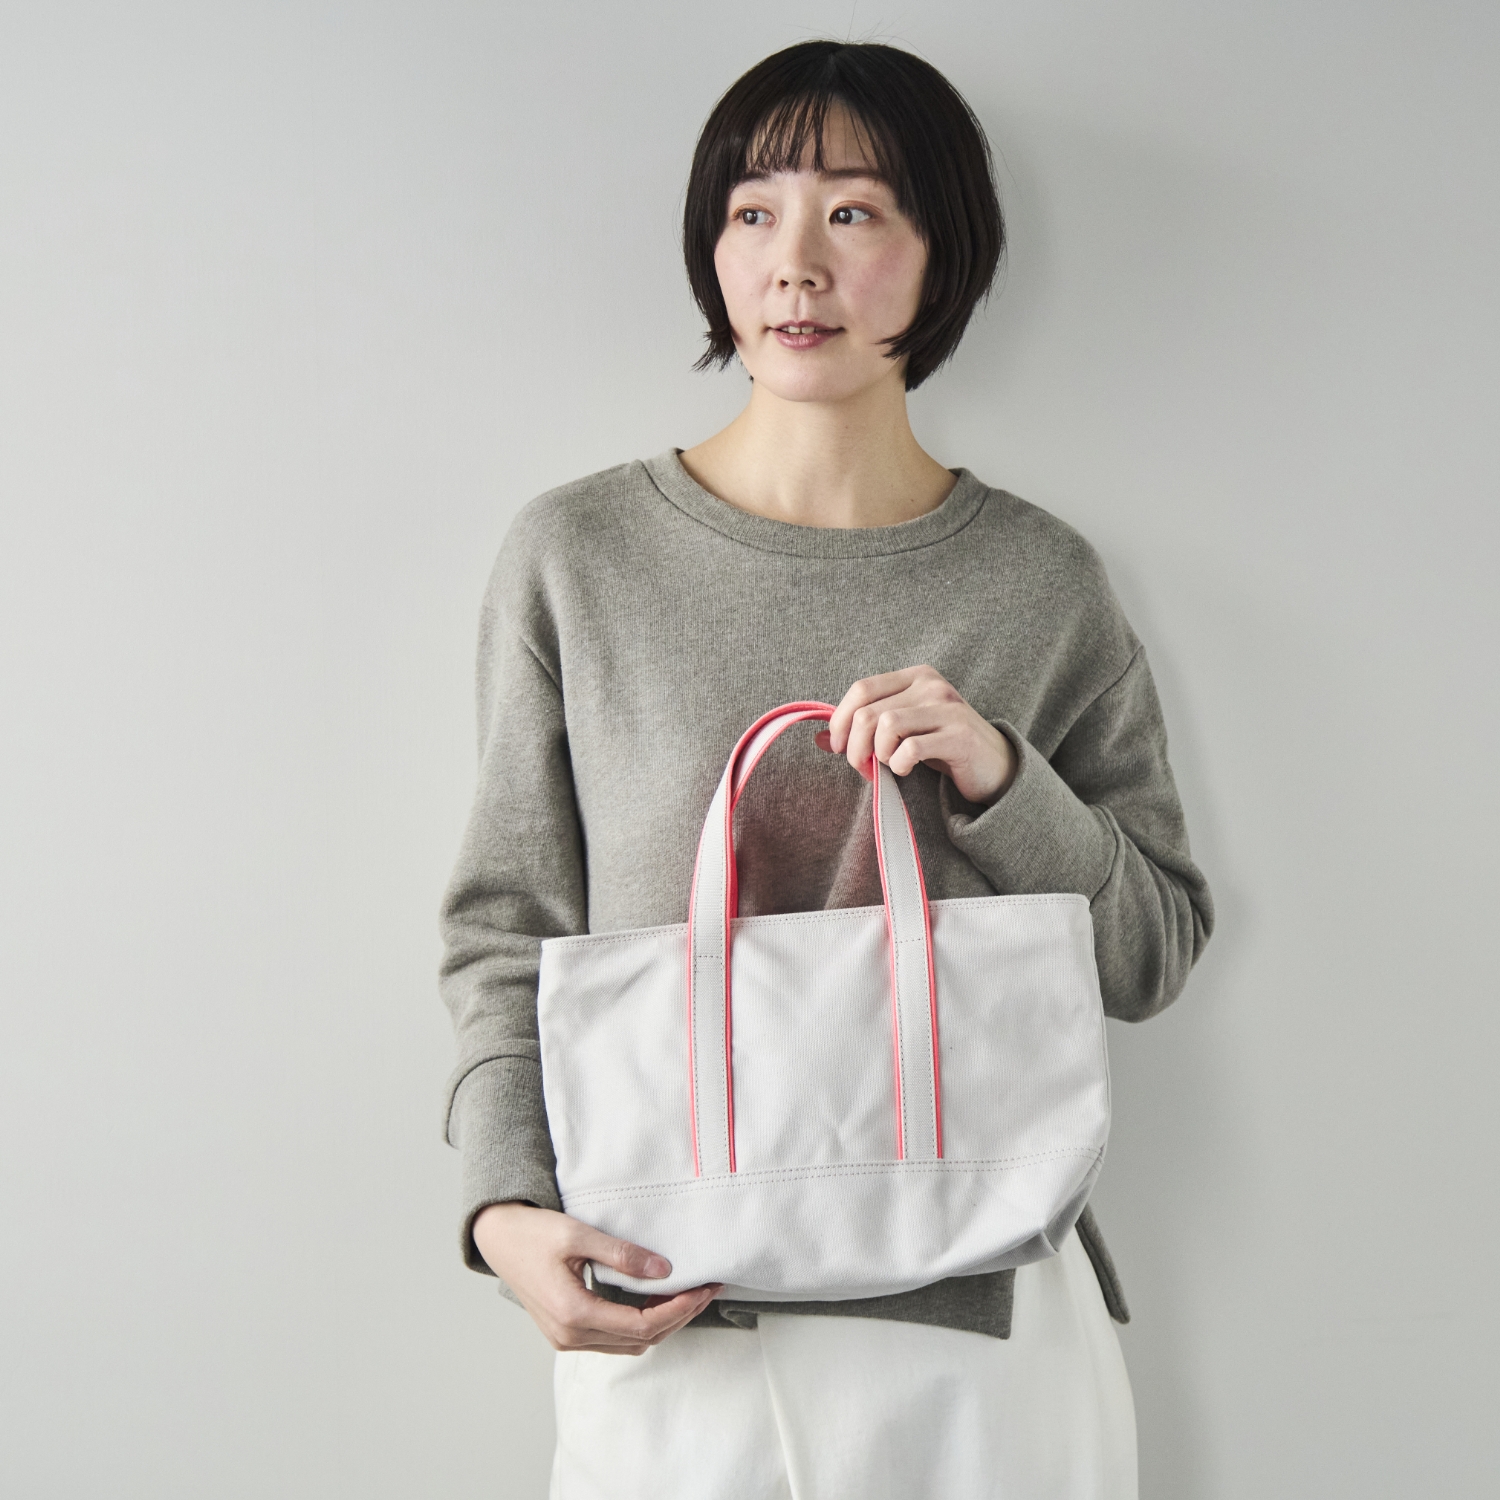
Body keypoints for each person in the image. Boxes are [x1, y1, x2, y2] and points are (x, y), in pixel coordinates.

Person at [439, 39, 1213, 1499]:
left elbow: (1153, 949)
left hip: (985, 1332)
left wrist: (1002, 779)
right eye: (754, 212)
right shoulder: (577, 557)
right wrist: (501, 1209)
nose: (795, 263)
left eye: (854, 212)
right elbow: (506, 925)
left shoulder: (1040, 580)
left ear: (943, 253)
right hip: (671, 1314)